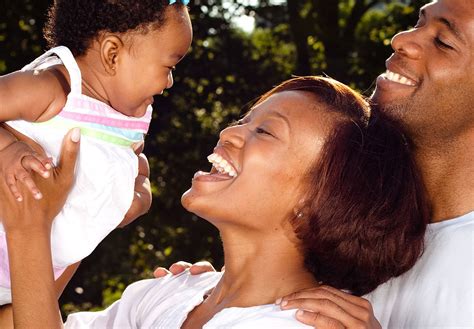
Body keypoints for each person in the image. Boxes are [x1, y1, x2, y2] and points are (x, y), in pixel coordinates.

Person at [0, 76, 430, 328]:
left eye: (265, 132)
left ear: (317, 200)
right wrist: (81, 224)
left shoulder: (298, 326)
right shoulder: (171, 294)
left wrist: (30, 227)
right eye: (245, 120)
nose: (228, 132)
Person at [165, 0, 474, 327]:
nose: (401, 39)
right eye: (418, 23)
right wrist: (216, 298)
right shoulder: (356, 220)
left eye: (443, 42)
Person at [0, 0, 192, 305]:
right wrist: (6, 149)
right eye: (169, 66)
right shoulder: (53, 89)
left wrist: (128, 201)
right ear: (112, 54)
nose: (169, 81)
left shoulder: (128, 115)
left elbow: (119, 173)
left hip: (30, 279)